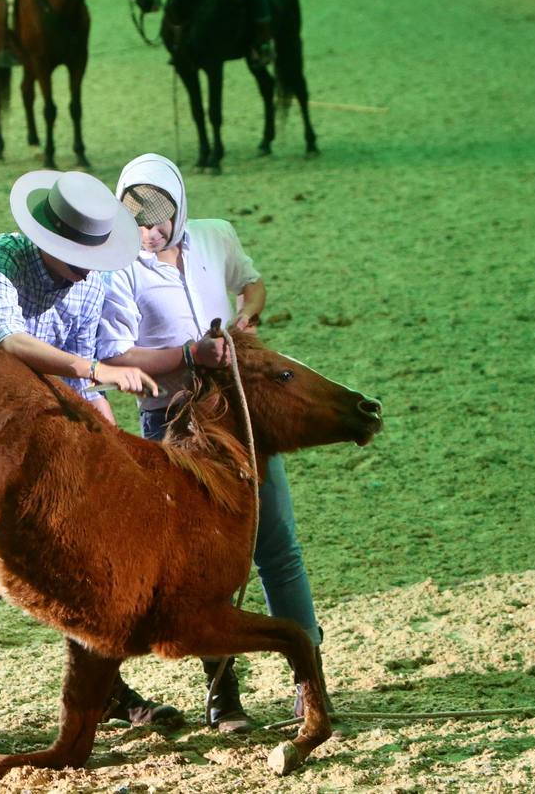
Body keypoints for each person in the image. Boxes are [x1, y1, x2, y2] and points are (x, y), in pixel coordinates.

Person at [0, 170, 179, 745]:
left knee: (87, 558)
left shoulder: (93, 276)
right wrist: (96, 372)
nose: (87, 271)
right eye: (76, 261)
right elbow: (8, 345)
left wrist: (104, 426)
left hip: (53, 426)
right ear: (47, 240)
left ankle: (104, 690)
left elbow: (83, 363)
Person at [97, 153, 330, 733]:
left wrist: (248, 314)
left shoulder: (216, 236)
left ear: (179, 210)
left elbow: (252, 283)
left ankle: (311, 683)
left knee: (277, 544)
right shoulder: (118, 268)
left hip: (239, 414)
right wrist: (188, 355)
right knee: (200, 566)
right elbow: (116, 354)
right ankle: (223, 694)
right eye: (136, 222)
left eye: (159, 220)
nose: (149, 233)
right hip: (171, 422)